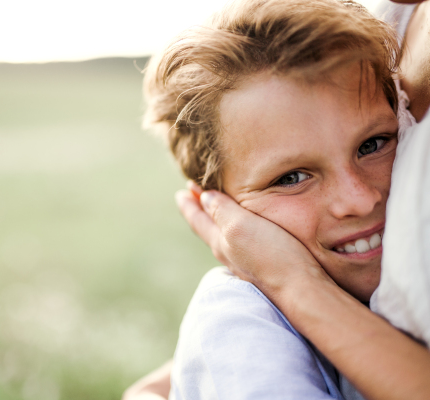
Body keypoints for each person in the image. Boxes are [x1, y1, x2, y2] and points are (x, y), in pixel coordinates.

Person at [124, 0, 430, 399]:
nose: (359, 199)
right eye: (291, 177)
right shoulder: (237, 320)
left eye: (373, 144)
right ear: (216, 209)